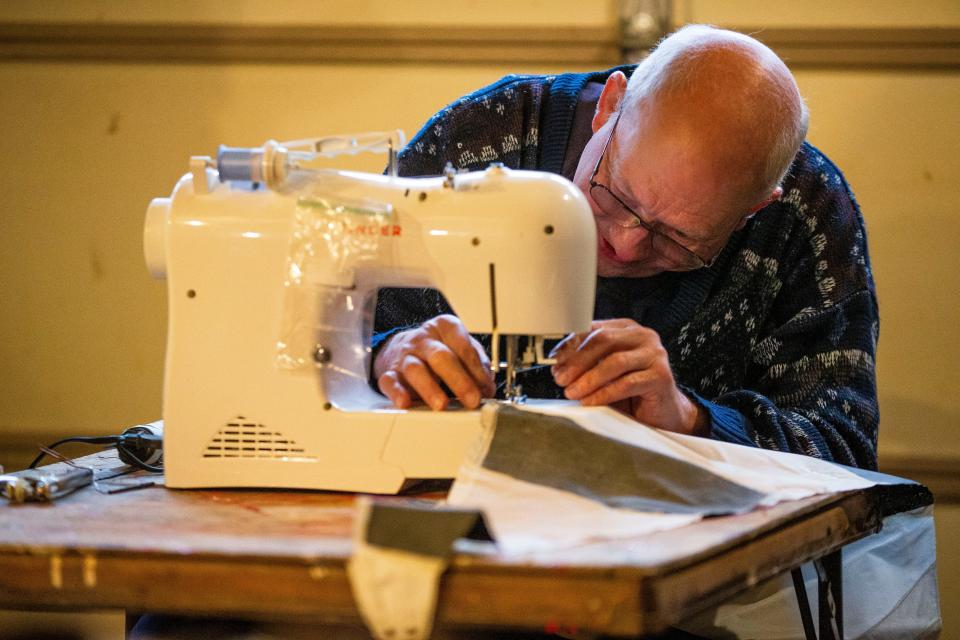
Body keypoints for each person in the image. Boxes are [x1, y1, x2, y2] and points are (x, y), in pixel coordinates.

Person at [372, 24, 879, 470]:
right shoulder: (477, 145)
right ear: (610, 106)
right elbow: (324, 343)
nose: (626, 242)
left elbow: (845, 450)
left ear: (755, 209)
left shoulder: (805, 213)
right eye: (614, 194)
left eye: (678, 237)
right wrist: (383, 354)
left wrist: (691, 420)